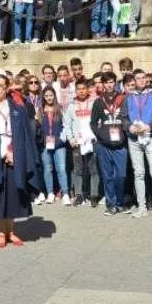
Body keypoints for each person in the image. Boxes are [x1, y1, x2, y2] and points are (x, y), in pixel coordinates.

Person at [0, 70, 42, 248]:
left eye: (0, 86)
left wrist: (14, 152)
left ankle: (11, 231)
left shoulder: (17, 108)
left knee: (13, 194)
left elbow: (23, 134)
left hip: (14, 155)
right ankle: (0, 231)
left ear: (7, 87)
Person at [120, 70, 152, 219]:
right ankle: (142, 207)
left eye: (143, 78)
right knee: (139, 173)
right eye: (137, 78)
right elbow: (123, 118)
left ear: (146, 80)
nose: (140, 80)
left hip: (151, 138)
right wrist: (130, 127)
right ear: (134, 81)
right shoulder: (128, 97)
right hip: (134, 140)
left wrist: (151, 126)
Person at [90, 72, 128, 215]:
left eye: (112, 82)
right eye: (107, 82)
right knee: (108, 176)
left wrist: (125, 135)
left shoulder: (123, 99)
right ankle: (110, 204)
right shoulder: (98, 102)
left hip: (120, 145)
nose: (110, 85)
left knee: (121, 175)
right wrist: (100, 135)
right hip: (104, 145)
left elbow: (128, 118)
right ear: (103, 85)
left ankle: (119, 202)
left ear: (115, 83)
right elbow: (93, 123)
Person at [62, 78, 98, 207]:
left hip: (91, 141)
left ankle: (93, 195)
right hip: (78, 142)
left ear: (87, 90)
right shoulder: (72, 106)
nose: (81, 91)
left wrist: (96, 136)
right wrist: (71, 139)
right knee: (78, 170)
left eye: (84, 89)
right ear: (75, 91)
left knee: (93, 169)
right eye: (79, 89)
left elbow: (98, 120)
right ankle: (79, 195)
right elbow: (67, 124)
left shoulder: (94, 103)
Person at [36, 86, 70, 206]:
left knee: (61, 169)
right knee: (47, 169)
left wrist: (61, 139)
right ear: (43, 97)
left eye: (51, 95)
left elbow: (66, 125)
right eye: (46, 96)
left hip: (59, 145)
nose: (49, 98)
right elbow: (38, 127)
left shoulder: (60, 108)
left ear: (54, 96)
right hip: (45, 145)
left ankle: (65, 193)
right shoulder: (40, 110)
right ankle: (50, 193)